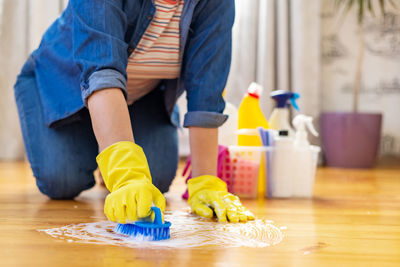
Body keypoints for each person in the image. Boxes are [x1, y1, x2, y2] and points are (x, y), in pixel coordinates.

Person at [14, 0, 254, 224]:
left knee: (155, 180)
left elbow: (207, 89)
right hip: (61, 88)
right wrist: (125, 175)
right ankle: (102, 144)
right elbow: (101, 72)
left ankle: (108, 144)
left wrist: (205, 182)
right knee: (62, 181)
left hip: (140, 97)